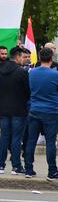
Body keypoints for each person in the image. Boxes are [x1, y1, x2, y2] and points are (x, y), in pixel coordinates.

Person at [0, 46, 30, 175]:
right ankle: (16, 166)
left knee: (4, 137)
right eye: (22, 57)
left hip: (3, 108)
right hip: (19, 109)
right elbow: (27, 91)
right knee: (16, 138)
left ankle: (0, 165)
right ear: (18, 57)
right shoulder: (21, 72)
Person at [24, 47, 58, 181]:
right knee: (50, 142)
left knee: (31, 140)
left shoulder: (32, 73)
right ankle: (52, 171)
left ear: (39, 57)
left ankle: (28, 169)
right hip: (51, 111)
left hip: (34, 110)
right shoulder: (55, 74)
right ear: (51, 58)